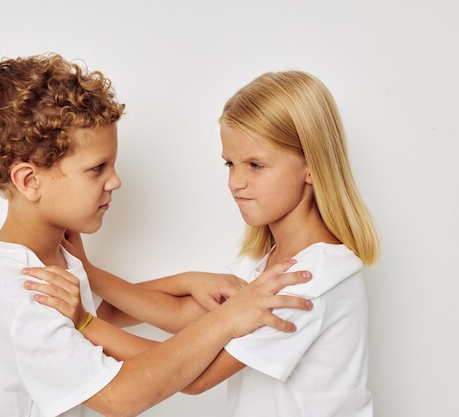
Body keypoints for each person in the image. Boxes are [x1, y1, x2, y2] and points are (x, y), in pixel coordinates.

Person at [0, 53, 314, 417]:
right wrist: (228, 319)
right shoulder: (25, 289)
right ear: (30, 181)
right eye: (97, 169)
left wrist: (185, 281)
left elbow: (98, 312)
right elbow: (120, 397)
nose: (115, 181)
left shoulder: (43, 255)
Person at [24, 70, 380, 417]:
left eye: (255, 165)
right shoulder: (268, 264)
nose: (235, 183)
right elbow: (184, 316)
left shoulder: (306, 281)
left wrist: (86, 324)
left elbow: (195, 377)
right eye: (230, 163)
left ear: (312, 167)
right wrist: (90, 275)